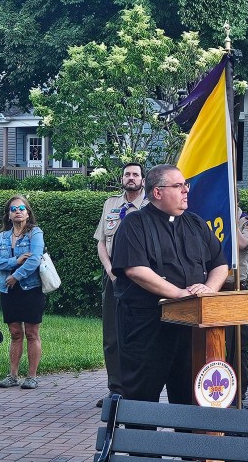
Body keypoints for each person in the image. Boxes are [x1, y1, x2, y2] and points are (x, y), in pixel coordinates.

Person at [111, 164, 229, 405]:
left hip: (190, 329)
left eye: (186, 185)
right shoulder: (134, 224)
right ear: (157, 192)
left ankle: (183, 443)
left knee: (188, 399)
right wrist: (179, 294)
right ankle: (140, 443)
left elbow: (220, 264)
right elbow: (136, 270)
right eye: (178, 186)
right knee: (141, 401)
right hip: (147, 326)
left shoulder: (196, 223)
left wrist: (209, 290)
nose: (186, 190)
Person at [93, 163, 146, 408]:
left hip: (142, 279)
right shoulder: (110, 204)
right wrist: (110, 271)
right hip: (114, 277)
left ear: (143, 180)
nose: (131, 178)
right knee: (112, 335)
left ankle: (140, 388)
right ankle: (116, 389)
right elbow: (102, 242)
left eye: (136, 174)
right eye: (127, 174)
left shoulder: (150, 206)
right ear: (122, 178)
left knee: (139, 334)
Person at [0, 195, 46, 389]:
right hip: (7, 289)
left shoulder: (35, 233)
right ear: (8, 215)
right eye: (13, 209)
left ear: (28, 213)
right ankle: (12, 375)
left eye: (22, 208)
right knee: (14, 333)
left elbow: (35, 258)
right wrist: (15, 261)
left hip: (30, 289)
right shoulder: (1, 237)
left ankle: (31, 376)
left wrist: (16, 276)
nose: (18, 211)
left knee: (31, 333)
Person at [224, 206, 248, 402]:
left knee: (238, 344)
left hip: (237, 288)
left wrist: (230, 220)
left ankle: (238, 390)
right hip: (214, 288)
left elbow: (243, 243)